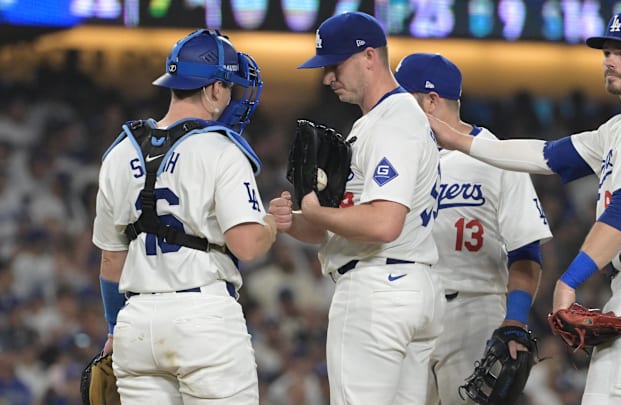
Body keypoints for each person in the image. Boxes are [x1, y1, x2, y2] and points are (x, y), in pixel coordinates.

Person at [427, 10, 621, 404]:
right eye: (608, 52)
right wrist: (461, 140)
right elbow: (546, 155)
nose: (611, 60)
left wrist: (569, 281)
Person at [268, 11, 445, 405]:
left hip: (377, 292)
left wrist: (315, 213)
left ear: (368, 56)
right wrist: (295, 222)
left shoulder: (391, 122)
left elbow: (383, 223)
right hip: (408, 286)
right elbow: (346, 223)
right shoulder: (384, 121)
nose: (327, 77)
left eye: (334, 65)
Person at [92, 29, 277, 404]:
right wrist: (272, 223)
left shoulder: (118, 153)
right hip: (203, 318)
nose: (230, 97)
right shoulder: (220, 148)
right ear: (212, 89)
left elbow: (112, 259)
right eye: (228, 87)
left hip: (136, 325)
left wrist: (115, 330)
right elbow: (247, 244)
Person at [394, 53, 553, 404]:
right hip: (407, 309)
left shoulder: (495, 156)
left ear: (431, 101)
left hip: (474, 309)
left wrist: (514, 320)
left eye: (403, 100)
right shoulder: (396, 159)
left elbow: (525, 250)